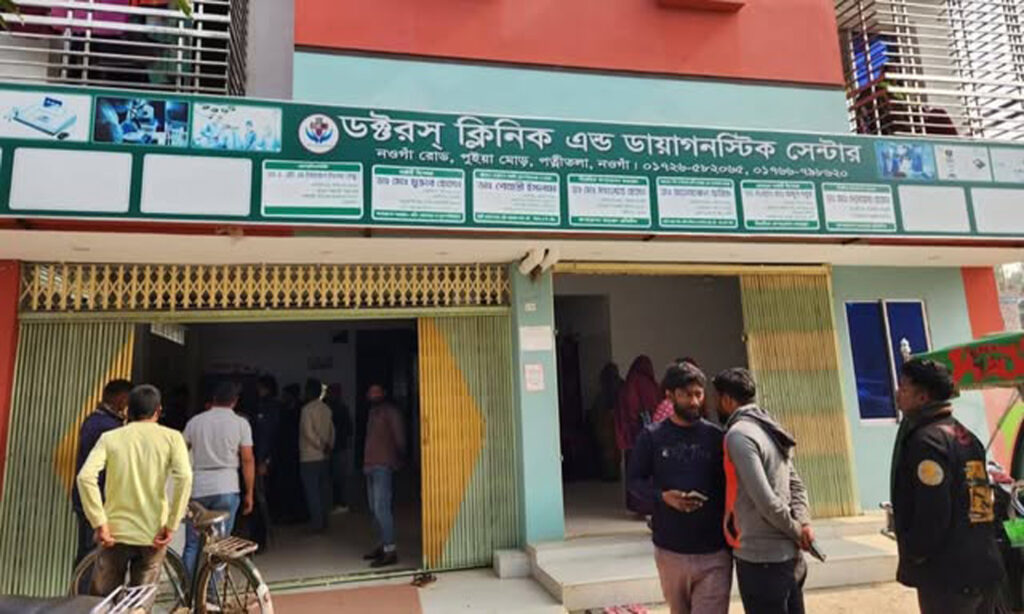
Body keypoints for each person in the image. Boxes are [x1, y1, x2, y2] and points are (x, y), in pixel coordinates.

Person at [890, 359, 1004, 613]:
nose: (898, 394)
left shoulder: (927, 442)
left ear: (922, 397)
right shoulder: (967, 436)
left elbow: (933, 512)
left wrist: (916, 552)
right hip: (983, 566)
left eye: (904, 388)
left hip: (949, 577)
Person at [629, 364, 730, 614]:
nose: (694, 401)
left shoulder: (717, 437)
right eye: (686, 395)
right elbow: (634, 482)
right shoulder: (652, 437)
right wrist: (663, 497)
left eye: (698, 394)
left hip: (714, 551)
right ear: (670, 395)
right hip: (670, 549)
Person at [712, 367, 813, 614]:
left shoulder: (738, 435)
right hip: (787, 557)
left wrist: (798, 530)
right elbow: (797, 485)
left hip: (760, 559)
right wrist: (802, 524)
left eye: (716, 398)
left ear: (727, 399)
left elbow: (766, 501)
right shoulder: (769, 427)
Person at [76, 384, 192, 596]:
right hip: (153, 534)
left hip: (114, 533)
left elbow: (85, 477)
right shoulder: (173, 438)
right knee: (140, 599)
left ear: (128, 410)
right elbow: (184, 478)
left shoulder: (111, 438)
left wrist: (99, 523)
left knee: (104, 600)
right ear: (158, 410)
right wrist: (172, 524)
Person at [182, 381, 255, 581]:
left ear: (213, 399)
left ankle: (187, 590)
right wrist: (249, 493)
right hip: (227, 487)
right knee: (220, 545)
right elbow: (247, 459)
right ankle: (211, 594)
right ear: (235, 401)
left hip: (198, 488)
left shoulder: (195, 422)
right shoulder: (240, 423)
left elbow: (180, 452)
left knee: (192, 544)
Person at [72, 379, 132, 567]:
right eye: (129, 401)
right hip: (96, 499)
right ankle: (83, 586)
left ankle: (80, 583)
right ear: (122, 400)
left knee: (88, 552)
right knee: (92, 553)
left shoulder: (94, 420)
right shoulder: (108, 427)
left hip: (89, 497)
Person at [363, 384, 406, 568]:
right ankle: (381, 545)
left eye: (377, 391)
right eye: (371, 391)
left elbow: (400, 438)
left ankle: (390, 550)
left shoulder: (391, 412)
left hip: (383, 465)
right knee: (374, 509)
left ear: (384, 393)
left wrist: (400, 457)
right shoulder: (372, 413)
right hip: (370, 466)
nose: (374, 394)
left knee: (382, 508)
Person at [616, 355, 661, 515]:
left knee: (633, 469)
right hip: (648, 433)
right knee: (648, 469)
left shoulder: (629, 383)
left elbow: (627, 409)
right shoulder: (649, 384)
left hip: (632, 434)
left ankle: (636, 504)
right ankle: (647, 505)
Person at [250, 375, 282, 550]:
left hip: (262, 460)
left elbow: (267, 436)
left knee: (260, 500)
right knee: (261, 499)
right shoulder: (270, 406)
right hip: (264, 459)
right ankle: (259, 538)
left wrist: (264, 460)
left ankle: (259, 540)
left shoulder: (268, 407)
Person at [299, 378, 335, 533]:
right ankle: (325, 521)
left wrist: (320, 446)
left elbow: (308, 433)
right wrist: (328, 447)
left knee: (312, 491)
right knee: (323, 490)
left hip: (309, 456)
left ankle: (317, 524)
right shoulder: (326, 408)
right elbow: (332, 430)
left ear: (309, 392)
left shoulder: (306, 410)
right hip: (324, 456)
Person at [590, 363, 623, 482]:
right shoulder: (618, 387)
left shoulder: (611, 389)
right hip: (611, 423)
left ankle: (611, 474)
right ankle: (612, 473)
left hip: (609, 423)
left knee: (609, 450)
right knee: (611, 450)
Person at [325, 383, 353, 513]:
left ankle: (340, 503)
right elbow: (349, 429)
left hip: (336, 447)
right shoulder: (341, 408)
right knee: (337, 477)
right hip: (339, 446)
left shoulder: (334, 409)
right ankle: (338, 502)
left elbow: (347, 429)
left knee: (337, 478)